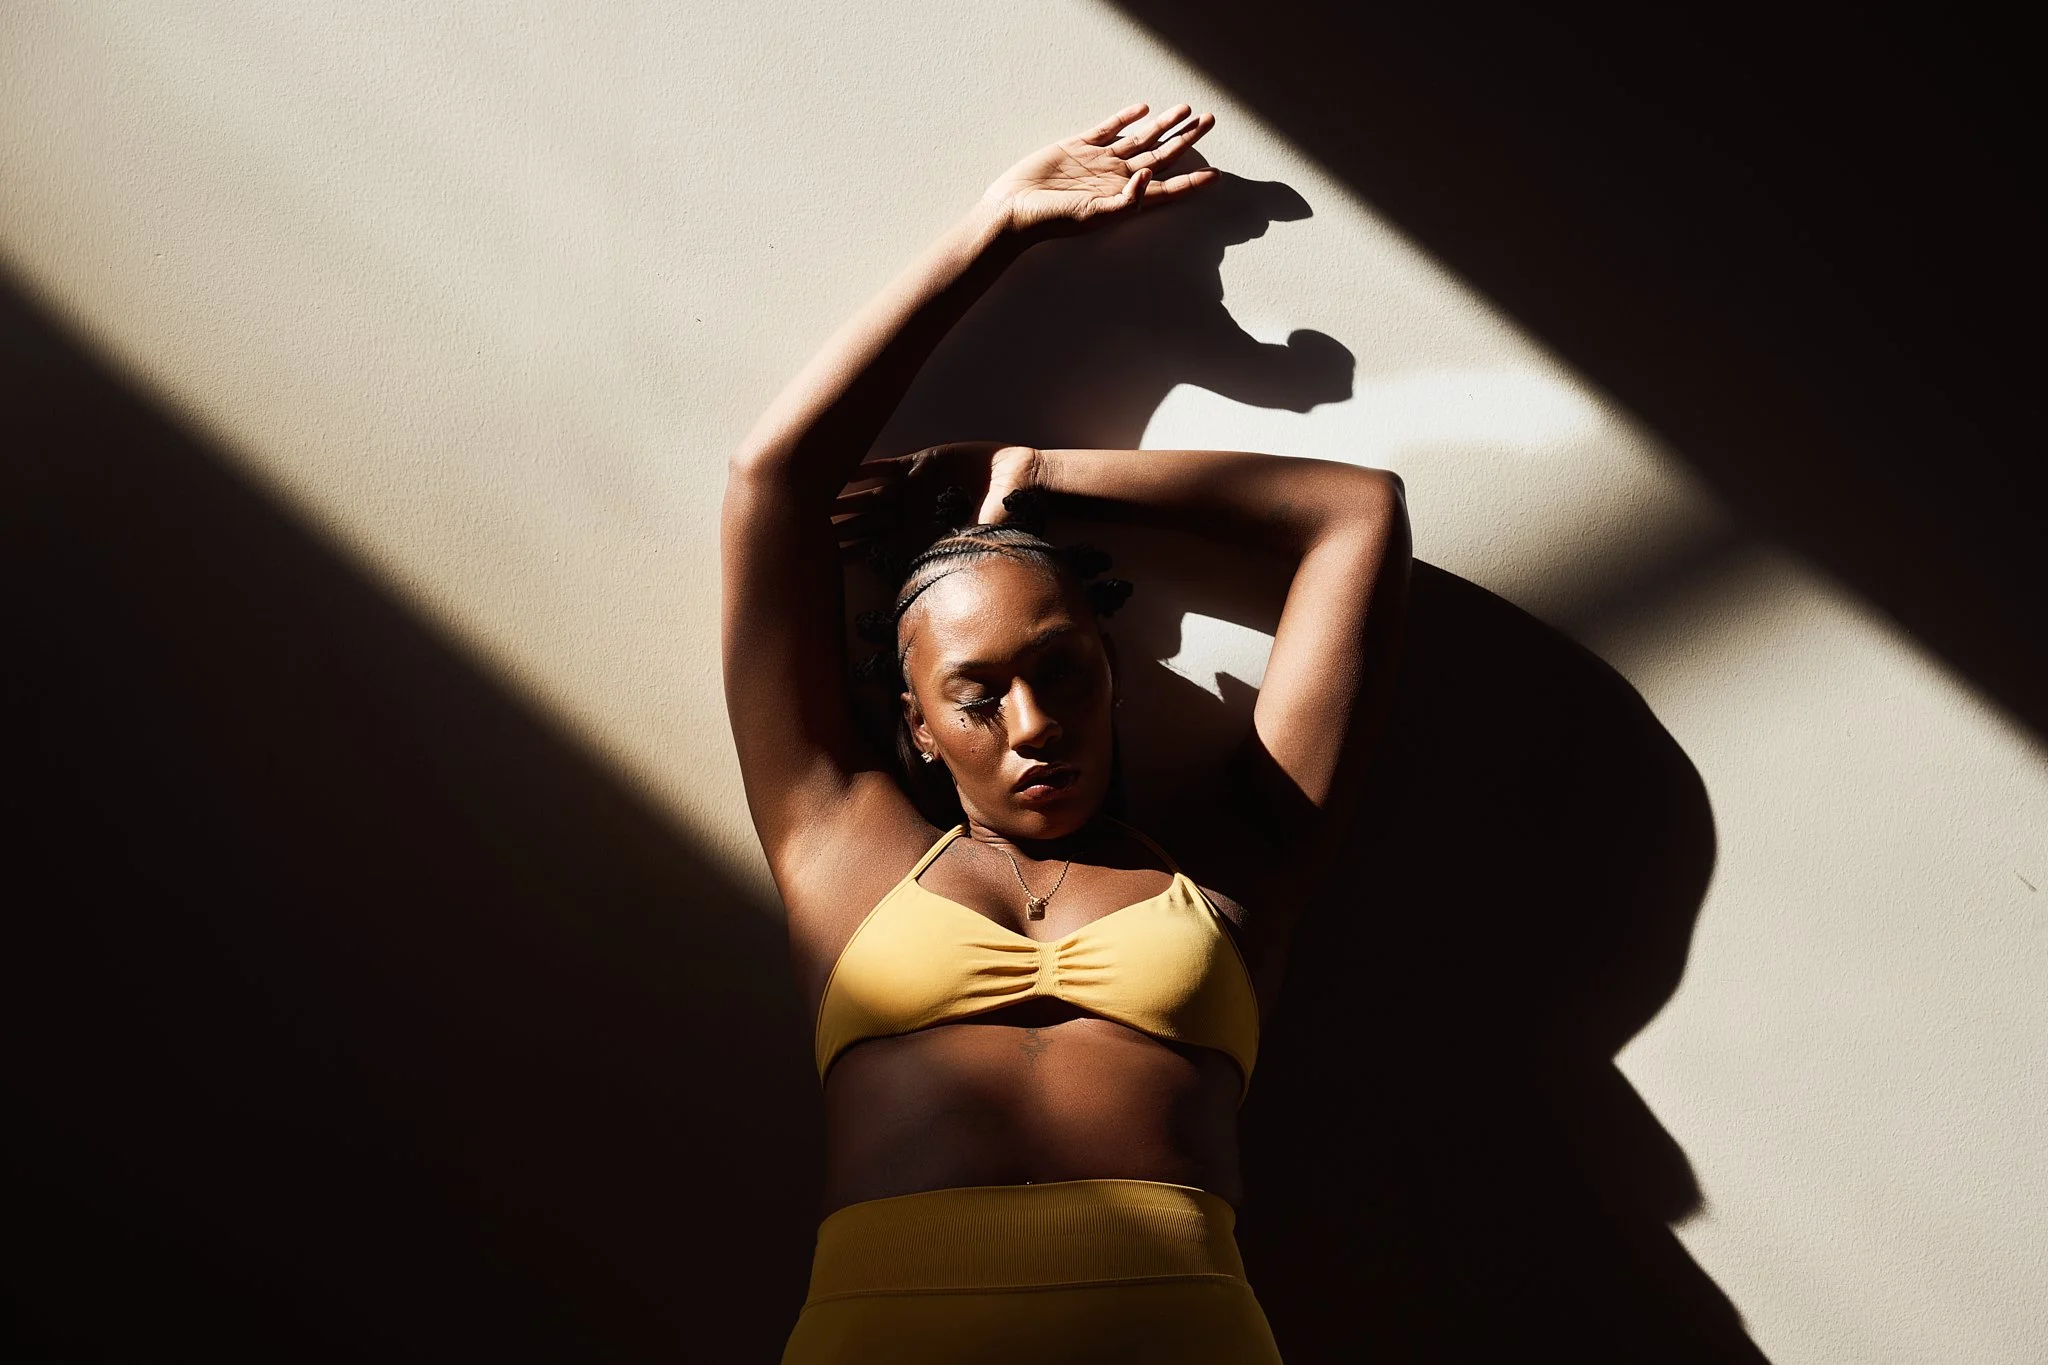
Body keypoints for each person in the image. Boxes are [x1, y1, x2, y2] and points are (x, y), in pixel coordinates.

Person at [722, 102, 1410, 1365]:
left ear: (1110, 673)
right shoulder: (837, 844)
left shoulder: (1237, 859)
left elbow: (1353, 515)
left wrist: (1034, 469)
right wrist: (994, 231)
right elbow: (772, 482)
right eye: (978, 695)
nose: (1034, 726)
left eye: (1063, 673)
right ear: (917, 726)